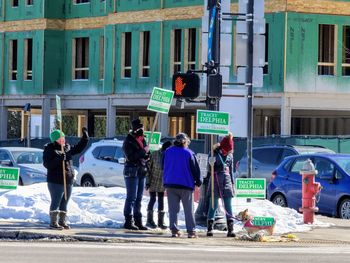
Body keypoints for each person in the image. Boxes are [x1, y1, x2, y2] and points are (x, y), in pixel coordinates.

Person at [43, 127, 89, 230]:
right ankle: (53, 222)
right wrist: (59, 158)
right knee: (56, 200)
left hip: (68, 179)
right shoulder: (49, 149)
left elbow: (78, 148)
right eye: (60, 138)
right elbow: (47, 164)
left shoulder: (67, 148)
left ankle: (62, 221)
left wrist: (85, 139)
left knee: (65, 201)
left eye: (63, 137)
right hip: (55, 181)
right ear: (55, 140)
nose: (63, 139)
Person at [163, 133, 202, 238]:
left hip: (170, 183)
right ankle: (191, 231)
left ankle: (174, 230)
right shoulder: (189, 153)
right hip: (186, 184)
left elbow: (163, 165)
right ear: (185, 142)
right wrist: (198, 181)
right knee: (188, 210)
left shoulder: (167, 151)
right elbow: (195, 170)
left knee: (173, 210)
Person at [122, 118, 150, 230]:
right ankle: (128, 220)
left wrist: (147, 156)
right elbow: (131, 156)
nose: (142, 131)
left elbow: (145, 154)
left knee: (139, 197)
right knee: (131, 197)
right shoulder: (128, 141)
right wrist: (143, 152)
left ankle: (138, 220)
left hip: (141, 171)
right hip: (132, 170)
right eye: (141, 128)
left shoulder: (143, 140)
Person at [206, 133, 235, 237]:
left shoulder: (230, 155)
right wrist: (211, 163)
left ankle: (230, 229)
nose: (226, 152)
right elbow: (208, 169)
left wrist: (232, 183)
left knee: (228, 205)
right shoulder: (213, 153)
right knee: (213, 204)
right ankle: (210, 228)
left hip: (226, 181)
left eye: (228, 151)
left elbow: (231, 170)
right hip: (215, 179)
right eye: (225, 150)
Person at [145, 140, 172, 229]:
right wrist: (148, 181)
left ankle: (160, 221)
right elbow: (148, 168)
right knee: (152, 199)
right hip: (153, 180)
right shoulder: (155, 154)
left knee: (161, 200)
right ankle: (149, 220)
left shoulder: (170, 156)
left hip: (162, 182)